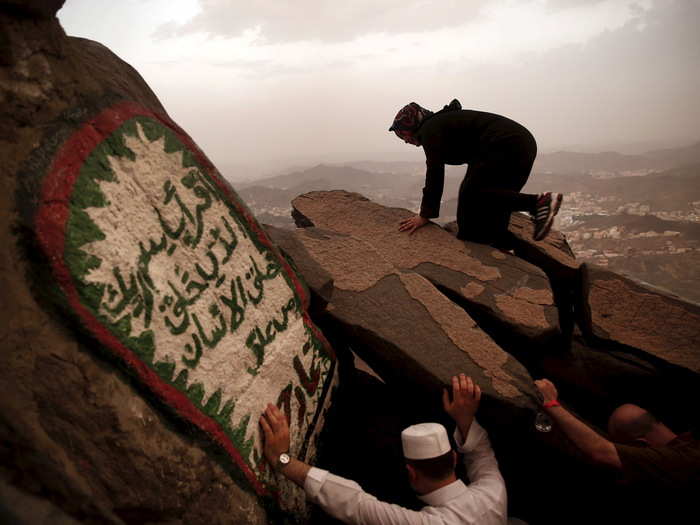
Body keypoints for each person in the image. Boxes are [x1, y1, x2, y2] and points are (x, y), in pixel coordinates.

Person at [259, 374, 507, 524]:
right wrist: (466, 418)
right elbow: (480, 452)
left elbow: (355, 504)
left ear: (411, 473)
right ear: (453, 458)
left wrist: (282, 459)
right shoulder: (494, 493)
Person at [390, 100, 562, 246]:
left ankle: (540, 203)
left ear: (414, 123)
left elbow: (435, 172)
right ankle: (498, 242)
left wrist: (425, 214)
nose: (405, 140)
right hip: (518, 144)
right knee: (474, 198)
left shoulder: (430, 129)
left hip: (507, 143)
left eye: (403, 134)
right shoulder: (438, 125)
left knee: (474, 193)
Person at [535, 378, 699, 504]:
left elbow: (601, 452)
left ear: (639, 445)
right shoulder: (691, 443)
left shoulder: (675, 462)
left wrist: (550, 402)